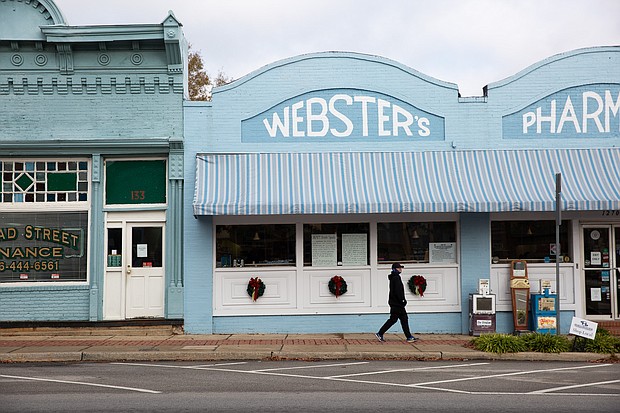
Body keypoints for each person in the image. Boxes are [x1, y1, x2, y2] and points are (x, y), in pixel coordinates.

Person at [375, 263, 417, 342]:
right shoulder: (396, 278)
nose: (401, 269)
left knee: (404, 319)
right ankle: (380, 333)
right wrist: (402, 300)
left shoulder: (394, 277)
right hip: (397, 303)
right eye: (399, 268)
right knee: (393, 320)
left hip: (396, 303)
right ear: (395, 269)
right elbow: (398, 291)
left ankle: (409, 336)